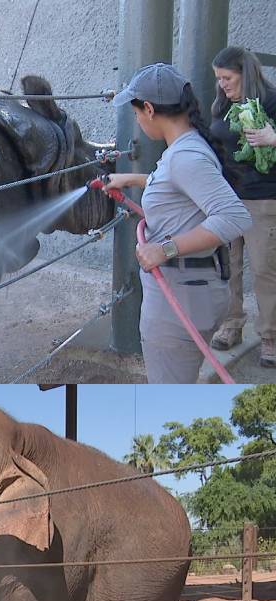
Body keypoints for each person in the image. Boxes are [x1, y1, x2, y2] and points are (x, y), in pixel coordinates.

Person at [104, 62, 252, 383]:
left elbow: (234, 217)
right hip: (194, 290)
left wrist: (164, 249)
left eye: (136, 113)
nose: (137, 120)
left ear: (149, 109)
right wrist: (132, 179)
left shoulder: (185, 157)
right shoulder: (187, 146)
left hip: (180, 299)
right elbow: (176, 187)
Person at [208, 46, 276, 364]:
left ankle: (271, 337)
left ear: (244, 74)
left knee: (265, 270)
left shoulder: (271, 100)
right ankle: (231, 325)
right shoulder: (222, 105)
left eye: (227, 78)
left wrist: (273, 139)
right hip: (226, 198)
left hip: (263, 200)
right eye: (218, 78)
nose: (222, 84)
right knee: (228, 268)